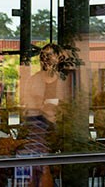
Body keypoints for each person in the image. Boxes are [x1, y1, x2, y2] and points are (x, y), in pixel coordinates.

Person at [17, 43, 71, 187]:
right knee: (31, 152)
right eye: (42, 55)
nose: (45, 59)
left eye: (49, 55)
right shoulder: (33, 80)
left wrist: (55, 110)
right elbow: (27, 107)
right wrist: (43, 108)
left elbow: (70, 109)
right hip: (37, 126)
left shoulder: (65, 82)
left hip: (57, 130)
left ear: (59, 58)